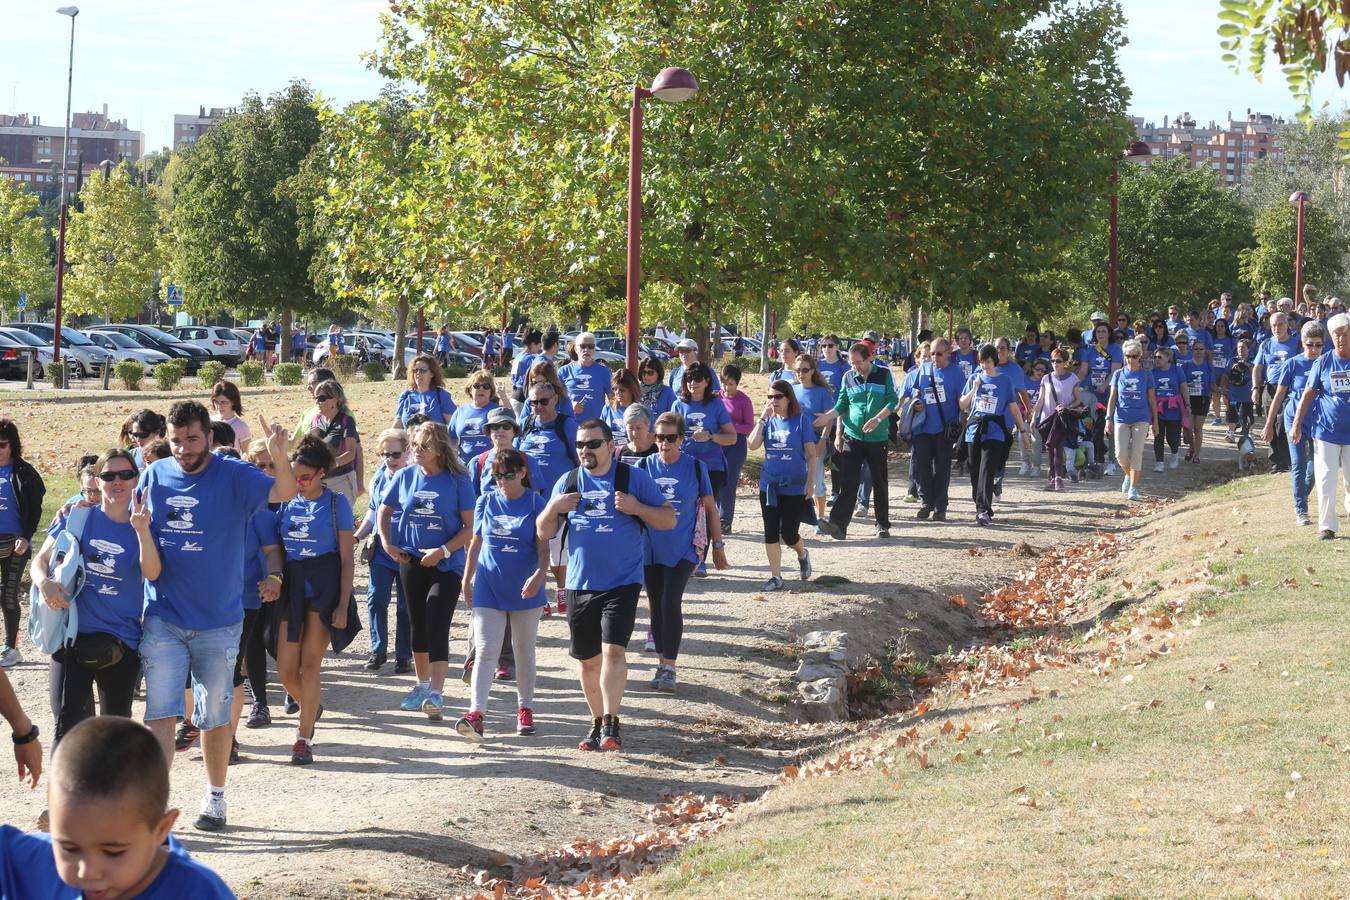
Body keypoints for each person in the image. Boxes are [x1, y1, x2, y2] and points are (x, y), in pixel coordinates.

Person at [136, 401, 295, 832]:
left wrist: (280, 454)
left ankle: (216, 796)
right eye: (176, 440)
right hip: (163, 616)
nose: (184, 448)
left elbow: (283, 493)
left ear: (210, 436)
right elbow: (140, 534)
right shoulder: (154, 475)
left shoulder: (235, 476)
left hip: (219, 621)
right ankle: (154, 807)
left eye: (192, 439)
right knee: (160, 714)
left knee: (213, 715)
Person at [537, 419, 674, 751]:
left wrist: (637, 508)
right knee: (588, 659)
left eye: (593, 444)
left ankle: (612, 723)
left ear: (610, 446)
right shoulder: (568, 482)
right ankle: (597, 722)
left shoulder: (631, 479)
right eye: (581, 445)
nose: (585, 450)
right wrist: (554, 507)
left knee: (614, 649)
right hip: (580, 581)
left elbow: (668, 519)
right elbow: (543, 531)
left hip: (623, 581)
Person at [0, 717, 234, 898]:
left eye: (113, 852)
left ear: (161, 829)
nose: (87, 872)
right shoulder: (32, 862)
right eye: (69, 848)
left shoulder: (199, 893)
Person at [30, 449, 159, 747]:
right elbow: (40, 561)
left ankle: (111, 793)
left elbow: (151, 573)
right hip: (73, 636)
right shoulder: (78, 517)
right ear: (97, 481)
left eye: (126, 475)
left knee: (115, 733)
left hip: (123, 641)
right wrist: (45, 583)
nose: (118, 481)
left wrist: (141, 531)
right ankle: (65, 793)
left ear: (136, 479)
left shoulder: (145, 523)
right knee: (67, 728)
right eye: (109, 475)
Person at [378, 422, 475, 721]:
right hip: (411, 561)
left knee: (436, 618)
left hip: (446, 563)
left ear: (440, 450)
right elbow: (385, 511)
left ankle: (437, 692)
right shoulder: (405, 475)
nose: (416, 451)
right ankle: (420, 685)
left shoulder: (458, 480)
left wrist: (443, 552)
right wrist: (387, 544)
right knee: (416, 622)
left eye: (423, 446)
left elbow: (469, 528)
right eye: (414, 446)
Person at [456, 449, 548, 741]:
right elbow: (476, 542)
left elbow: (544, 546)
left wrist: (540, 575)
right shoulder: (486, 500)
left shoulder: (536, 502)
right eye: (497, 476)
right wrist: (466, 578)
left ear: (522, 473)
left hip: (525, 587)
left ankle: (525, 708)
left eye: (508, 474)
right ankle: (476, 713)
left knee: (523, 650)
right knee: (485, 650)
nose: (503, 481)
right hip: (489, 584)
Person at [274, 436, 355, 765]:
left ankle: (303, 737)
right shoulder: (285, 501)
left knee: (310, 667)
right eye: (294, 476)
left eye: (305, 477)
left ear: (322, 472)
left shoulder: (337, 504)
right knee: (285, 671)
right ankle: (311, 704)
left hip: (324, 586)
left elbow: (348, 559)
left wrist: (342, 604)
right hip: (291, 584)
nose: (299, 483)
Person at [638, 412, 726, 688]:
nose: (664, 443)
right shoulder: (643, 467)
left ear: (682, 438)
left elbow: (711, 509)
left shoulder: (696, 468)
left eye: (671, 438)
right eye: (660, 437)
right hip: (650, 548)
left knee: (669, 601)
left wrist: (718, 547)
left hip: (684, 548)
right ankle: (661, 663)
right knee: (655, 603)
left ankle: (670, 667)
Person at [813, 342, 898, 540]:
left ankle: (882, 524)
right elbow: (842, 403)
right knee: (848, 482)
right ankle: (838, 525)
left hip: (877, 438)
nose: (855, 367)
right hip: (853, 436)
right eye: (852, 363)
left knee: (879, 481)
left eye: (859, 362)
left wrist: (878, 419)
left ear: (870, 358)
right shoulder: (848, 377)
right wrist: (828, 417)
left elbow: (892, 401)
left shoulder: (883, 374)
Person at [516, 381, 579, 617]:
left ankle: (562, 589)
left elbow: (580, 458)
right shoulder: (526, 424)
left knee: (557, 548)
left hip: (558, 498)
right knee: (533, 547)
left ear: (555, 401)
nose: (539, 406)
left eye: (544, 401)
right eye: (533, 402)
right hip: (530, 499)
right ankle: (540, 594)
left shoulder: (567, 425)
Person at [355, 429, 413, 674]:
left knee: (405, 605)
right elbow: (372, 512)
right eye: (385, 454)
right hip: (380, 548)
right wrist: (357, 536)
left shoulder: (415, 477)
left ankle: (403, 655)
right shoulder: (379, 476)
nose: (390, 459)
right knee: (376, 599)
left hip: (408, 549)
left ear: (407, 451)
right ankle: (378, 650)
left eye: (395, 454)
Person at [236, 440, 283, 732]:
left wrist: (277, 577)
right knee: (253, 642)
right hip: (252, 584)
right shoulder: (245, 502)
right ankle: (260, 702)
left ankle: (295, 684)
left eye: (271, 465)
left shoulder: (286, 497)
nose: (265, 471)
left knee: (274, 640)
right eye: (259, 465)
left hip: (283, 578)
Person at [749, 382, 815, 590]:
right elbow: (752, 445)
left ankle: (802, 553)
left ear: (788, 398)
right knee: (770, 531)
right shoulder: (767, 421)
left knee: (788, 534)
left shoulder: (801, 420)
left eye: (778, 397)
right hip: (769, 486)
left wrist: (810, 483)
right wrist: (761, 418)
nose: (773, 401)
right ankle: (776, 577)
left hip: (794, 486)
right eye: (770, 397)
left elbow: (812, 455)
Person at [1290, 313, 1350, 539]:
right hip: (1326, 431)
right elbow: (1308, 393)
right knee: (1325, 479)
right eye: (1336, 335)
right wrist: (1296, 424)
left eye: (1345, 334)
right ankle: (1327, 526)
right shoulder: (1323, 362)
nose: (1341, 339)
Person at [672, 362, 736, 572]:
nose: (693, 383)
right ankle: (684, 556)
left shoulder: (716, 405)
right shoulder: (678, 405)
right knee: (686, 510)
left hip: (712, 465)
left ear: (707, 382)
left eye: (698, 379)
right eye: (689, 379)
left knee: (707, 511)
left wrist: (711, 436)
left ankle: (700, 560)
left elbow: (732, 437)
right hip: (685, 464)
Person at [960, 345, 1031, 525]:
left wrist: (1023, 431)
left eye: (988, 361)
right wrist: (974, 390)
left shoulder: (1005, 380)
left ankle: (983, 509)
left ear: (995, 361)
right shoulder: (974, 378)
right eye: (982, 361)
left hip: (995, 429)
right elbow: (962, 404)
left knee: (987, 468)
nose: (985, 365)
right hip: (975, 428)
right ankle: (980, 505)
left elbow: (1013, 407)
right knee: (975, 470)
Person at [1264, 321, 1325, 526]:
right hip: (1294, 421)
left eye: (1318, 345)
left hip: (1318, 421)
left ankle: (1302, 495)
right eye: (1310, 345)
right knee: (1298, 464)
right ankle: (1301, 510)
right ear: (1302, 343)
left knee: (1315, 469)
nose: (1314, 349)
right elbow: (1279, 396)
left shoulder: (1325, 363)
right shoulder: (1293, 364)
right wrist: (1269, 424)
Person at [0, 417, 45, 669]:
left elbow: (36, 508)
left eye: (3, 444)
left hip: (16, 543)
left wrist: (25, 537)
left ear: (12, 445)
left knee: (8, 594)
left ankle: (11, 647)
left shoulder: (23, 472)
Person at [906, 338, 963, 516]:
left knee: (942, 470)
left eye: (938, 354)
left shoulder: (956, 373)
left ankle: (940, 507)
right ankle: (925, 503)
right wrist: (915, 403)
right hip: (923, 429)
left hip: (944, 431)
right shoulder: (922, 371)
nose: (935, 357)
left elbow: (963, 402)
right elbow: (908, 395)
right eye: (932, 354)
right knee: (921, 467)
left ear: (948, 353)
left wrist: (963, 426)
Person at [1105, 340, 1158, 502]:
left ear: (1140, 356)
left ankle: (1133, 487)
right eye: (1128, 356)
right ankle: (1128, 475)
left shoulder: (1147, 375)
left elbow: (1152, 400)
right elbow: (1112, 398)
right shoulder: (1118, 374)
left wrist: (1155, 421)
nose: (1131, 359)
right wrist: (1108, 418)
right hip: (1120, 417)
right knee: (1120, 454)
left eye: (1134, 356)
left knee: (1136, 453)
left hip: (1141, 418)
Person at [1032, 348, 1088, 491]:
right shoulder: (1046, 378)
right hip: (1047, 419)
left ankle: (1058, 478)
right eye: (1052, 360)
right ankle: (1052, 477)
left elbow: (1078, 400)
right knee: (1050, 447)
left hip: (1063, 419)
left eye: (1058, 361)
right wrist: (1034, 418)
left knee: (1058, 447)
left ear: (1065, 362)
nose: (1055, 363)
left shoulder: (1073, 379)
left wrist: (1066, 406)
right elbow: (1040, 400)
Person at [1254, 312, 1302, 474]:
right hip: (1270, 388)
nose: (1276, 328)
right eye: (1273, 325)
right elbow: (1258, 367)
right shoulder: (1266, 344)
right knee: (1271, 423)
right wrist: (1255, 388)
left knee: (1283, 422)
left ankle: (1287, 460)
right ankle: (1276, 463)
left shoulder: (1297, 344)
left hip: (1290, 390)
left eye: (1280, 324)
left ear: (1287, 325)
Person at [792, 355, 834, 526]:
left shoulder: (822, 391)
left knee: (817, 481)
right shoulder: (792, 390)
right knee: (796, 481)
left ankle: (820, 518)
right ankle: (795, 517)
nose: (801, 374)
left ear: (813, 370)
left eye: (805, 370)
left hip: (816, 441)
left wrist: (823, 440)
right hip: (795, 443)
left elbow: (829, 418)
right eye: (797, 370)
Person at [1076, 322, 1123, 476]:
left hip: (1109, 393)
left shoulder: (1116, 349)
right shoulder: (1089, 350)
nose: (1101, 334)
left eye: (1104, 331)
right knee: (1090, 427)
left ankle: (1111, 462)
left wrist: (1104, 385)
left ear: (1109, 333)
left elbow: (1115, 371)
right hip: (1091, 394)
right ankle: (1092, 460)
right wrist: (1073, 385)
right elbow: (1083, 371)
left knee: (1109, 427)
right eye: (1098, 332)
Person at [718, 364, 755, 530]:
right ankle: (713, 516)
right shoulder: (715, 398)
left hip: (736, 444)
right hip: (717, 443)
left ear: (737, 383)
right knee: (716, 479)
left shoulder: (744, 401)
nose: (727, 387)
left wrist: (731, 427)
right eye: (724, 383)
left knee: (730, 480)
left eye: (730, 383)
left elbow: (749, 426)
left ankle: (725, 519)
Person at [450, 370, 501, 467]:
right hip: (464, 465)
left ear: (491, 391)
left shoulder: (497, 410)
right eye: (477, 386)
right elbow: (452, 438)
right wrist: (454, 456)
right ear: (470, 389)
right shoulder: (460, 411)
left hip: (490, 465)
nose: (481, 389)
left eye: (486, 387)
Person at [558, 333, 612, 421]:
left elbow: (613, 400)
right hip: (569, 425)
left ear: (594, 349)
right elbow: (554, 399)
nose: (586, 349)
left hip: (595, 426)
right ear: (576, 349)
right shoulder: (564, 371)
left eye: (590, 346)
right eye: (582, 346)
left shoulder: (604, 372)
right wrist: (570, 405)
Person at [394, 355, 457, 428]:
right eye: (415, 370)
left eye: (422, 370)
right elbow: (397, 426)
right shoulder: (405, 396)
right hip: (410, 439)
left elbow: (453, 427)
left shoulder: (441, 396)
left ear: (432, 374)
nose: (418, 373)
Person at [1150, 347, 1186, 471]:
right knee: (1158, 436)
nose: (1156, 359)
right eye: (1155, 357)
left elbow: (1183, 387)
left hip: (1174, 408)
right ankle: (1159, 462)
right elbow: (1149, 392)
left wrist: (1188, 405)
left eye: (1159, 357)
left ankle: (1174, 454)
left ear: (1168, 358)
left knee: (1172, 437)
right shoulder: (1153, 372)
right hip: (1158, 409)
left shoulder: (1177, 370)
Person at [1180, 340, 1213, 463]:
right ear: (1191, 350)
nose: (1198, 352)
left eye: (1201, 349)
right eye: (1196, 349)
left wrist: (1222, 390)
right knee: (1188, 428)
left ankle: (1196, 456)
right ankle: (1192, 447)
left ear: (1204, 351)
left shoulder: (1209, 366)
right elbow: (1181, 383)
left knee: (1198, 429)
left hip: (1203, 398)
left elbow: (1212, 383)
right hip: (1189, 398)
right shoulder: (1186, 366)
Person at [209, 381, 252, 450]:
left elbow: (247, 455)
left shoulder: (241, 426)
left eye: (224, 402)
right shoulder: (208, 421)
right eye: (216, 402)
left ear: (233, 402)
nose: (219, 406)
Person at [509, 330, 543, 417]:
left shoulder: (518, 357)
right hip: (522, 398)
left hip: (514, 396)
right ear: (532, 344)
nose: (540, 349)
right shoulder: (531, 359)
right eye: (539, 345)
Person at [603, 368, 642, 435]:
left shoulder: (642, 411)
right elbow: (601, 431)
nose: (617, 392)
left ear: (632, 390)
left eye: (622, 390)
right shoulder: (608, 408)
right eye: (614, 389)